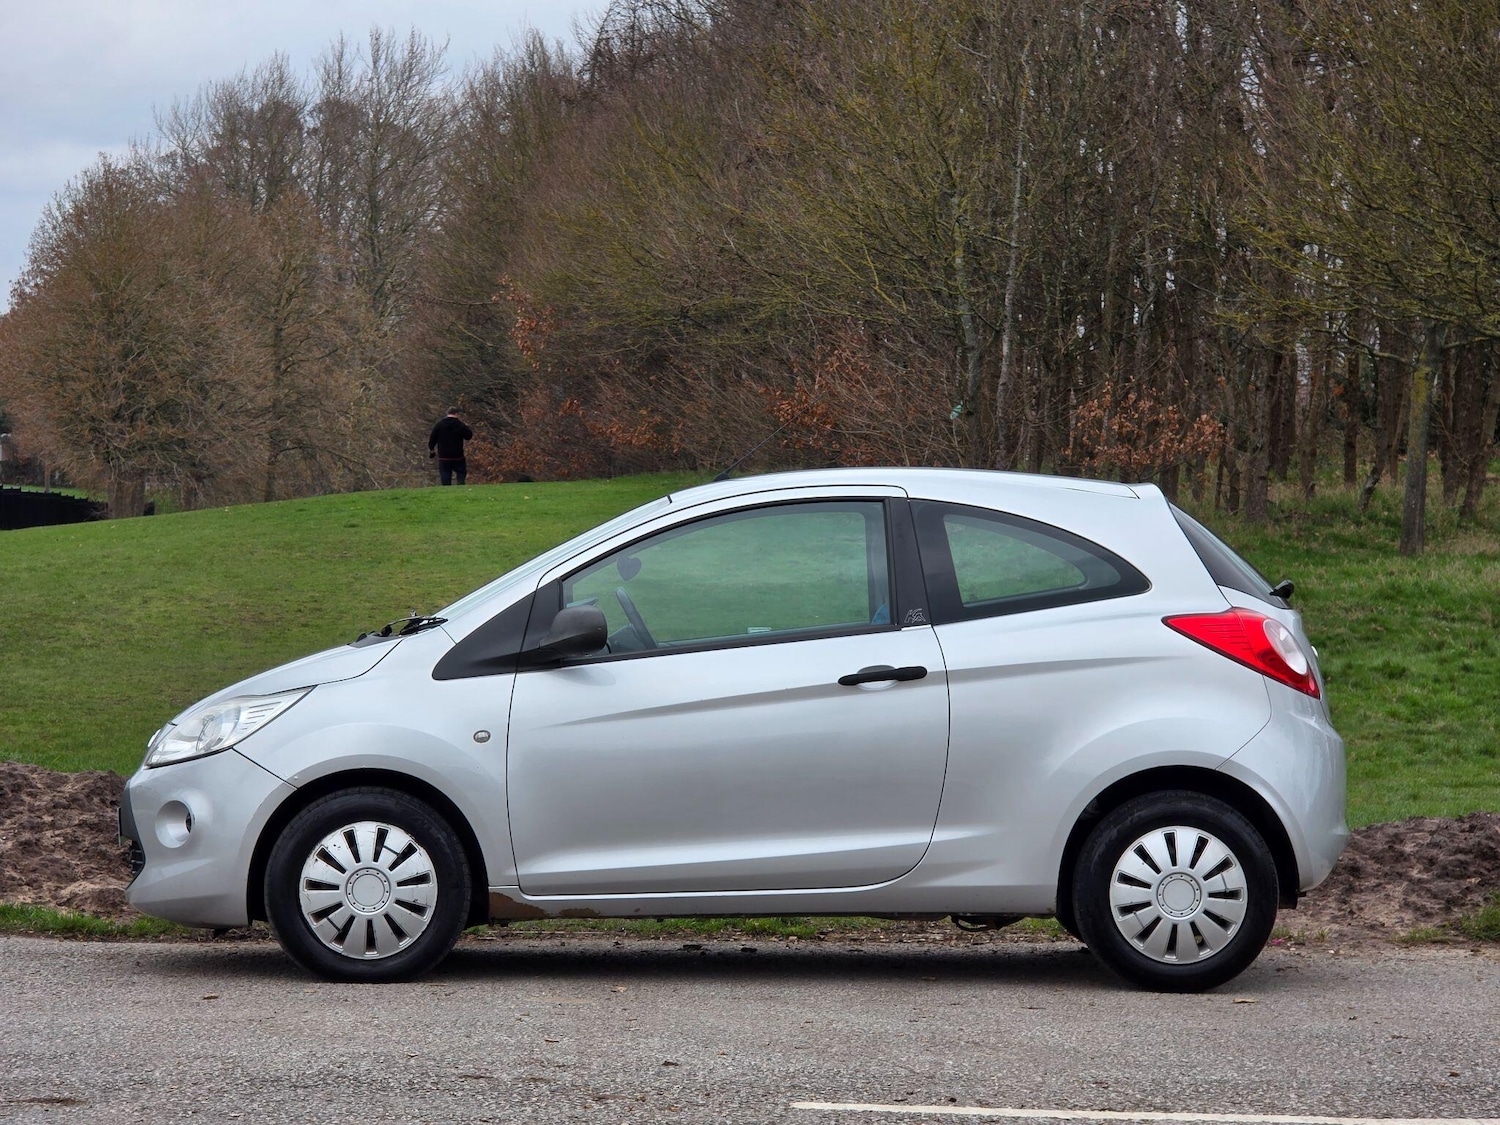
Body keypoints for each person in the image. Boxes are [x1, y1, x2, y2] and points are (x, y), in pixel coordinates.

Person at [428, 408, 474, 486]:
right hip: (458, 456)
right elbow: (469, 436)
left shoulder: (439, 425)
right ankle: (460, 486)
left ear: (447, 413)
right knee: (461, 473)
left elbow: (432, 439)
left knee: (445, 475)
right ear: (456, 413)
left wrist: (431, 449)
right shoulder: (460, 425)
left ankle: (446, 490)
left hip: (444, 456)